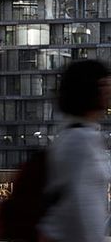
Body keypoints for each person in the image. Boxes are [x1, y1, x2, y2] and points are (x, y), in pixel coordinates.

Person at [37, 58, 111, 242]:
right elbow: (83, 214)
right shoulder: (79, 141)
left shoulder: (80, 135)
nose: (109, 90)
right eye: (104, 84)